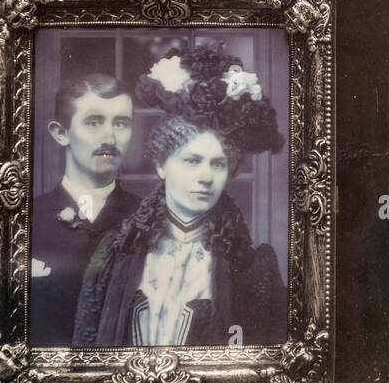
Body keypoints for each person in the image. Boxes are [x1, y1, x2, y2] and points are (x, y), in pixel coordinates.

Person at [72, 45, 286, 347]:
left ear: (231, 172)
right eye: (192, 160)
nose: (205, 177)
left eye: (218, 164)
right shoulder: (114, 251)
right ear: (161, 165)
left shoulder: (252, 268)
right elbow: (85, 349)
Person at [29, 73, 139, 346]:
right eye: (93, 122)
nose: (110, 137)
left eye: (121, 123)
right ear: (61, 133)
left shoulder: (149, 219)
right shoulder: (26, 219)